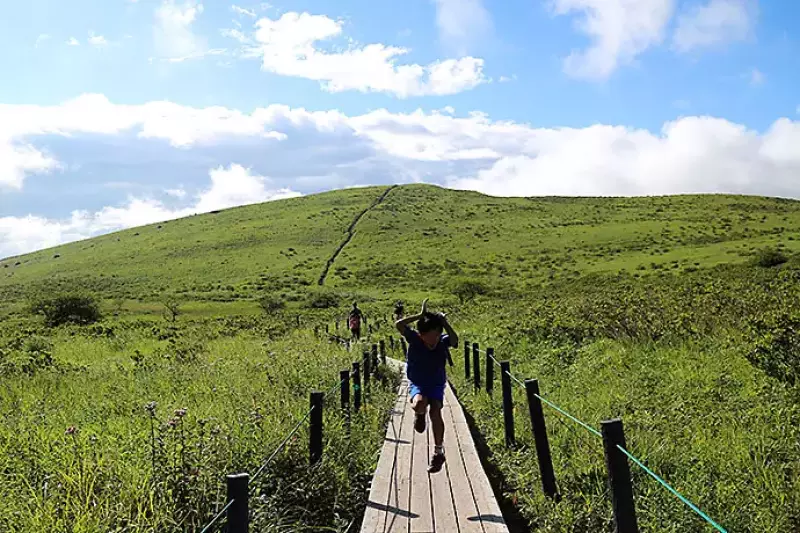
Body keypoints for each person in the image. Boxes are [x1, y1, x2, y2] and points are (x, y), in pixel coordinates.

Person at [395, 299, 458, 473]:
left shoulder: (442, 341)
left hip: (436, 384)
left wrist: (445, 323)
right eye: (429, 335)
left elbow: (455, 340)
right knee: (420, 403)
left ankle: (439, 453)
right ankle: (419, 414)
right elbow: (399, 324)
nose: (433, 339)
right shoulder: (414, 339)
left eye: (437, 334)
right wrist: (419, 315)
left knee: (436, 411)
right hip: (419, 382)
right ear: (421, 334)